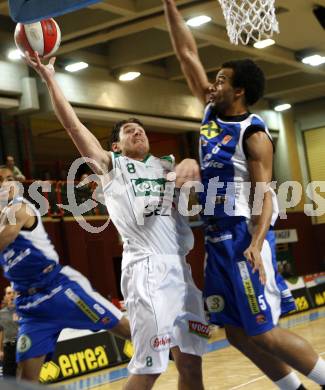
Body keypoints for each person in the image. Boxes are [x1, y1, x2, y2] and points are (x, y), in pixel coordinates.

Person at [162, 1, 325, 390]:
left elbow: (265, 195)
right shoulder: (209, 112)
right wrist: (169, 6)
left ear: (239, 91)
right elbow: (186, 53)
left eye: (220, 81)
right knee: (235, 332)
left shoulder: (253, 135)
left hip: (242, 235)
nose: (212, 85)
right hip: (216, 237)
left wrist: (256, 243)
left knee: (264, 331)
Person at [24, 52, 208, 390]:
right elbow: (73, 126)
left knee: (192, 366)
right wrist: (50, 77)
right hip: (147, 272)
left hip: (182, 272)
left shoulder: (167, 166)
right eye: (127, 130)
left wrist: (190, 165)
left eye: (140, 128)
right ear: (115, 146)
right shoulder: (113, 167)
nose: (136, 131)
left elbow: (196, 199)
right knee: (150, 368)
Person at [0, 167, 130, 382]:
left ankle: (172, 350)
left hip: (60, 290)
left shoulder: (20, 208)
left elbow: (7, 236)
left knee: (125, 329)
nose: (6, 184)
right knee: (25, 380)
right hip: (31, 307)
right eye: (1, 181)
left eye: (10, 179)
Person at [0, 286, 19, 377]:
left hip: (22, 346)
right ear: (5, 296)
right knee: (9, 377)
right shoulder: (1, 314)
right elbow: (1, 332)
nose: (11, 295)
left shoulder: (23, 310)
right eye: (8, 293)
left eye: (13, 293)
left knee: (25, 376)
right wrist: (0, 350)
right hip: (8, 348)